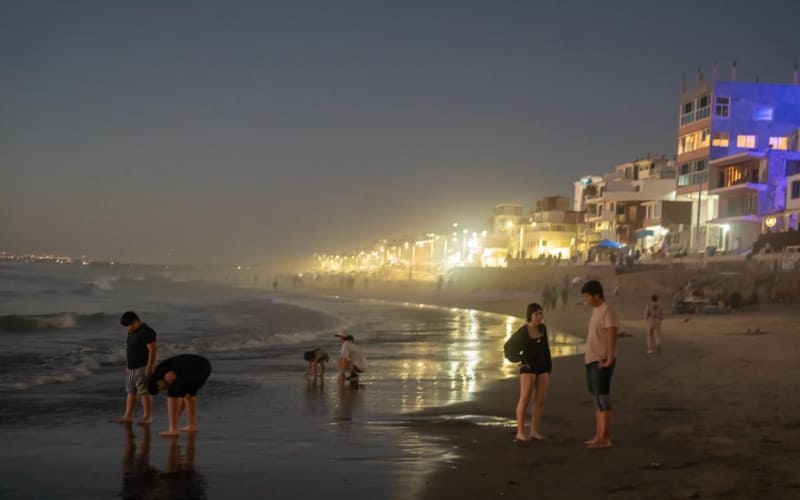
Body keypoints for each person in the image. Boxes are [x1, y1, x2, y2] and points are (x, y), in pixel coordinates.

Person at [503, 303, 552, 441]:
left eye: (540, 314)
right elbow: (508, 348)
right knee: (524, 399)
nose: (539, 317)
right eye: (536, 314)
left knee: (540, 401)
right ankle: (520, 432)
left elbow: (546, 350)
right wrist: (520, 359)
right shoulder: (523, 331)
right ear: (530, 315)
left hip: (543, 367)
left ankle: (535, 431)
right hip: (528, 368)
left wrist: (549, 368)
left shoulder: (543, 329)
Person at [581, 280, 619, 449]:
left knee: (603, 398)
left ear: (597, 295)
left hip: (601, 359)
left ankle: (605, 438)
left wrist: (609, 358)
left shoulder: (607, 310)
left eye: (587, 296)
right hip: (591, 358)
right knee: (597, 399)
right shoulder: (596, 310)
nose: (586, 299)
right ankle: (598, 435)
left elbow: (612, 334)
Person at [148, 354, 212, 437]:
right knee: (189, 394)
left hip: (193, 367)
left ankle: (173, 429)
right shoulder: (166, 367)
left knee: (172, 393)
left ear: (156, 382)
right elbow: (181, 395)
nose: (165, 388)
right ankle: (192, 425)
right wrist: (177, 415)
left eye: (161, 388)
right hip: (205, 366)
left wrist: (175, 415)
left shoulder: (158, 371)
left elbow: (171, 376)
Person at [113, 311, 157, 424]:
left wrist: (149, 367)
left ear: (136, 321)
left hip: (142, 367)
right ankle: (128, 416)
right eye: (125, 327)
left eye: (129, 325)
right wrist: (127, 365)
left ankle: (148, 416)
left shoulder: (146, 332)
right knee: (130, 391)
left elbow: (153, 350)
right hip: (131, 368)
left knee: (144, 392)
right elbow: (130, 349)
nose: (128, 328)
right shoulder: (132, 331)